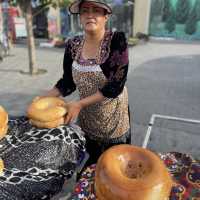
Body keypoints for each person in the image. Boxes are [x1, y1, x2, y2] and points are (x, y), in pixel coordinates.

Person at [38, 0, 131, 166]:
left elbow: (116, 85)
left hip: (113, 116)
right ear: (80, 17)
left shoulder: (117, 40)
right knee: (92, 161)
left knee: (113, 165)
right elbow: (68, 82)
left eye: (96, 10)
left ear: (106, 16)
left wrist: (79, 104)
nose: (90, 15)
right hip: (88, 115)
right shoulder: (73, 45)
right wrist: (44, 97)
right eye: (85, 11)